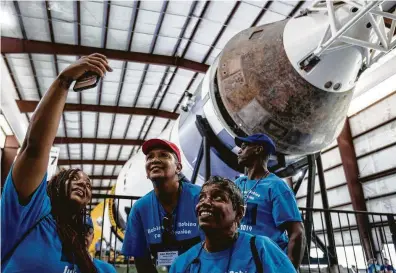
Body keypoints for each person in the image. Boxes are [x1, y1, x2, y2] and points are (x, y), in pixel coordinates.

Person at [1, 53, 112, 273]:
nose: (84, 184)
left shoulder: (96, 265)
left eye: (89, 185)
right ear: (55, 184)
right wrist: (64, 81)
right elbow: (33, 148)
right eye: (74, 178)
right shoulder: (30, 212)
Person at [169, 176, 296, 273]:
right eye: (202, 197)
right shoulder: (182, 264)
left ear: (239, 213)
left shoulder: (261, 250)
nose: (205, 202)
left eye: (218, 197)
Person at [122, 139, 203, 273]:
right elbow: (142, 262)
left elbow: (217, 251)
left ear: (178, 167)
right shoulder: (140, 209)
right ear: (147, 173)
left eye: (164, 155)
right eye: (150, 157)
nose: (155, 160)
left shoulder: (200, 198)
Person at [234, 133, 305, 268]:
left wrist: (288, 269)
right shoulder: (238, 183)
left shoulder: (276, 186)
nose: (239, 151)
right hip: (241, 261)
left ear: (258, 149)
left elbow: (297, 232)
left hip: (266, 262)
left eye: (244, 147)